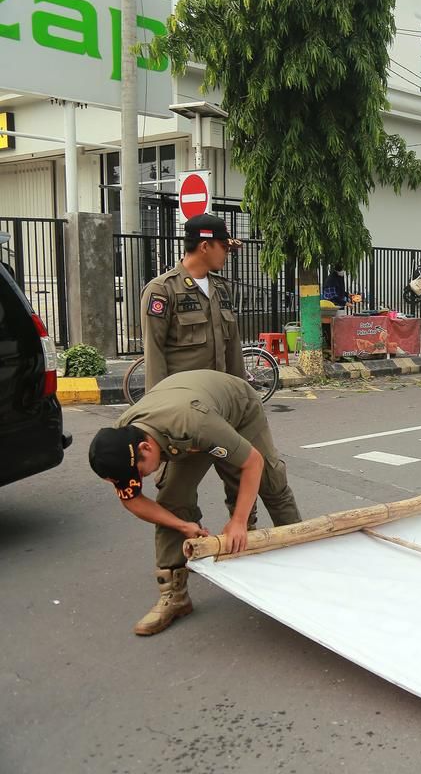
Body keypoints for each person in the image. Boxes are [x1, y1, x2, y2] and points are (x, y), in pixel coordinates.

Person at [88, 370, 303, 636]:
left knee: (270, 482)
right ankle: (174, 596)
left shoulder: (194, 424)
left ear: (145, 449)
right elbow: (133, 501)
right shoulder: (120, 444)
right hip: (184, 428)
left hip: (235, 407)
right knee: (171, 498)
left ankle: (302, 565)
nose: (139, 480)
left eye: (140, 473)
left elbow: (252, 462)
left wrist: (237, 521)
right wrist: (182, 526)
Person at [139, 212, 247, 526]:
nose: (227, 253)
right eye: (223, 247)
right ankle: (176, 563)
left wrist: (242, 400)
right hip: (182, 416)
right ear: (204, 246)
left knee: (241, 478)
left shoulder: (222, 289)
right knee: (176, 494)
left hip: (223, 409)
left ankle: (244, 538)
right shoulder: (163, 291)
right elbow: (155, 356)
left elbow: (233, 350)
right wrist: (157, 417)